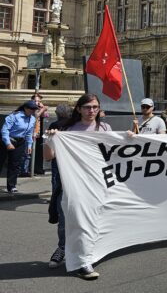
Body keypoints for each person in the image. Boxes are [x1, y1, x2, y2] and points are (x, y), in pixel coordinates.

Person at [44, 93, 111, 280]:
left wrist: (130, 137)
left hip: (95, 182)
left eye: (95, 107)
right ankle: (63, 248)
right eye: (88, 107)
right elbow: (48, 156)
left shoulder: (105, 128)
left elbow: (114, 153)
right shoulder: (66, 128)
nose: (92, 111)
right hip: (71, 183)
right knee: (67, 219)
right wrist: (50, 139)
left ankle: (84, 259)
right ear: (79, 109)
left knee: (90, 221)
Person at [1, 100, 38, 193]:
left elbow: (29, 133)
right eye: (32, 109)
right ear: (25, 108)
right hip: (8, 140)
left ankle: (11, 186)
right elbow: (4, 130)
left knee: (15, 164)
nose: (33, 111)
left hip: (20, 142)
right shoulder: (14, 116)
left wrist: (29, 145)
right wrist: (8, 143)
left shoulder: (32, 119)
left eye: (35, 109)